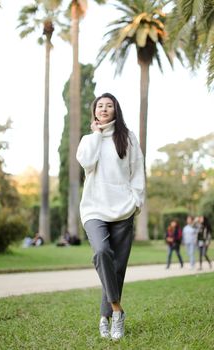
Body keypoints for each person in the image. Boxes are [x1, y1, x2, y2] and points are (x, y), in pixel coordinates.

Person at [76, 92, 145, 340]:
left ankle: (105, 319)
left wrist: (137, 200)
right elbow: (86, 162)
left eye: (109, 105)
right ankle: (118, 311)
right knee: (102, 252)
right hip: (94, 208)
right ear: (95, 111)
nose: (104, 109)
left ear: (116, 110)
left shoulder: (127, 138)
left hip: (123, 209)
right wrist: (97, 133)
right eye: (100, 106)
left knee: (116, 269)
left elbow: (137, 170)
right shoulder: (88, 139)